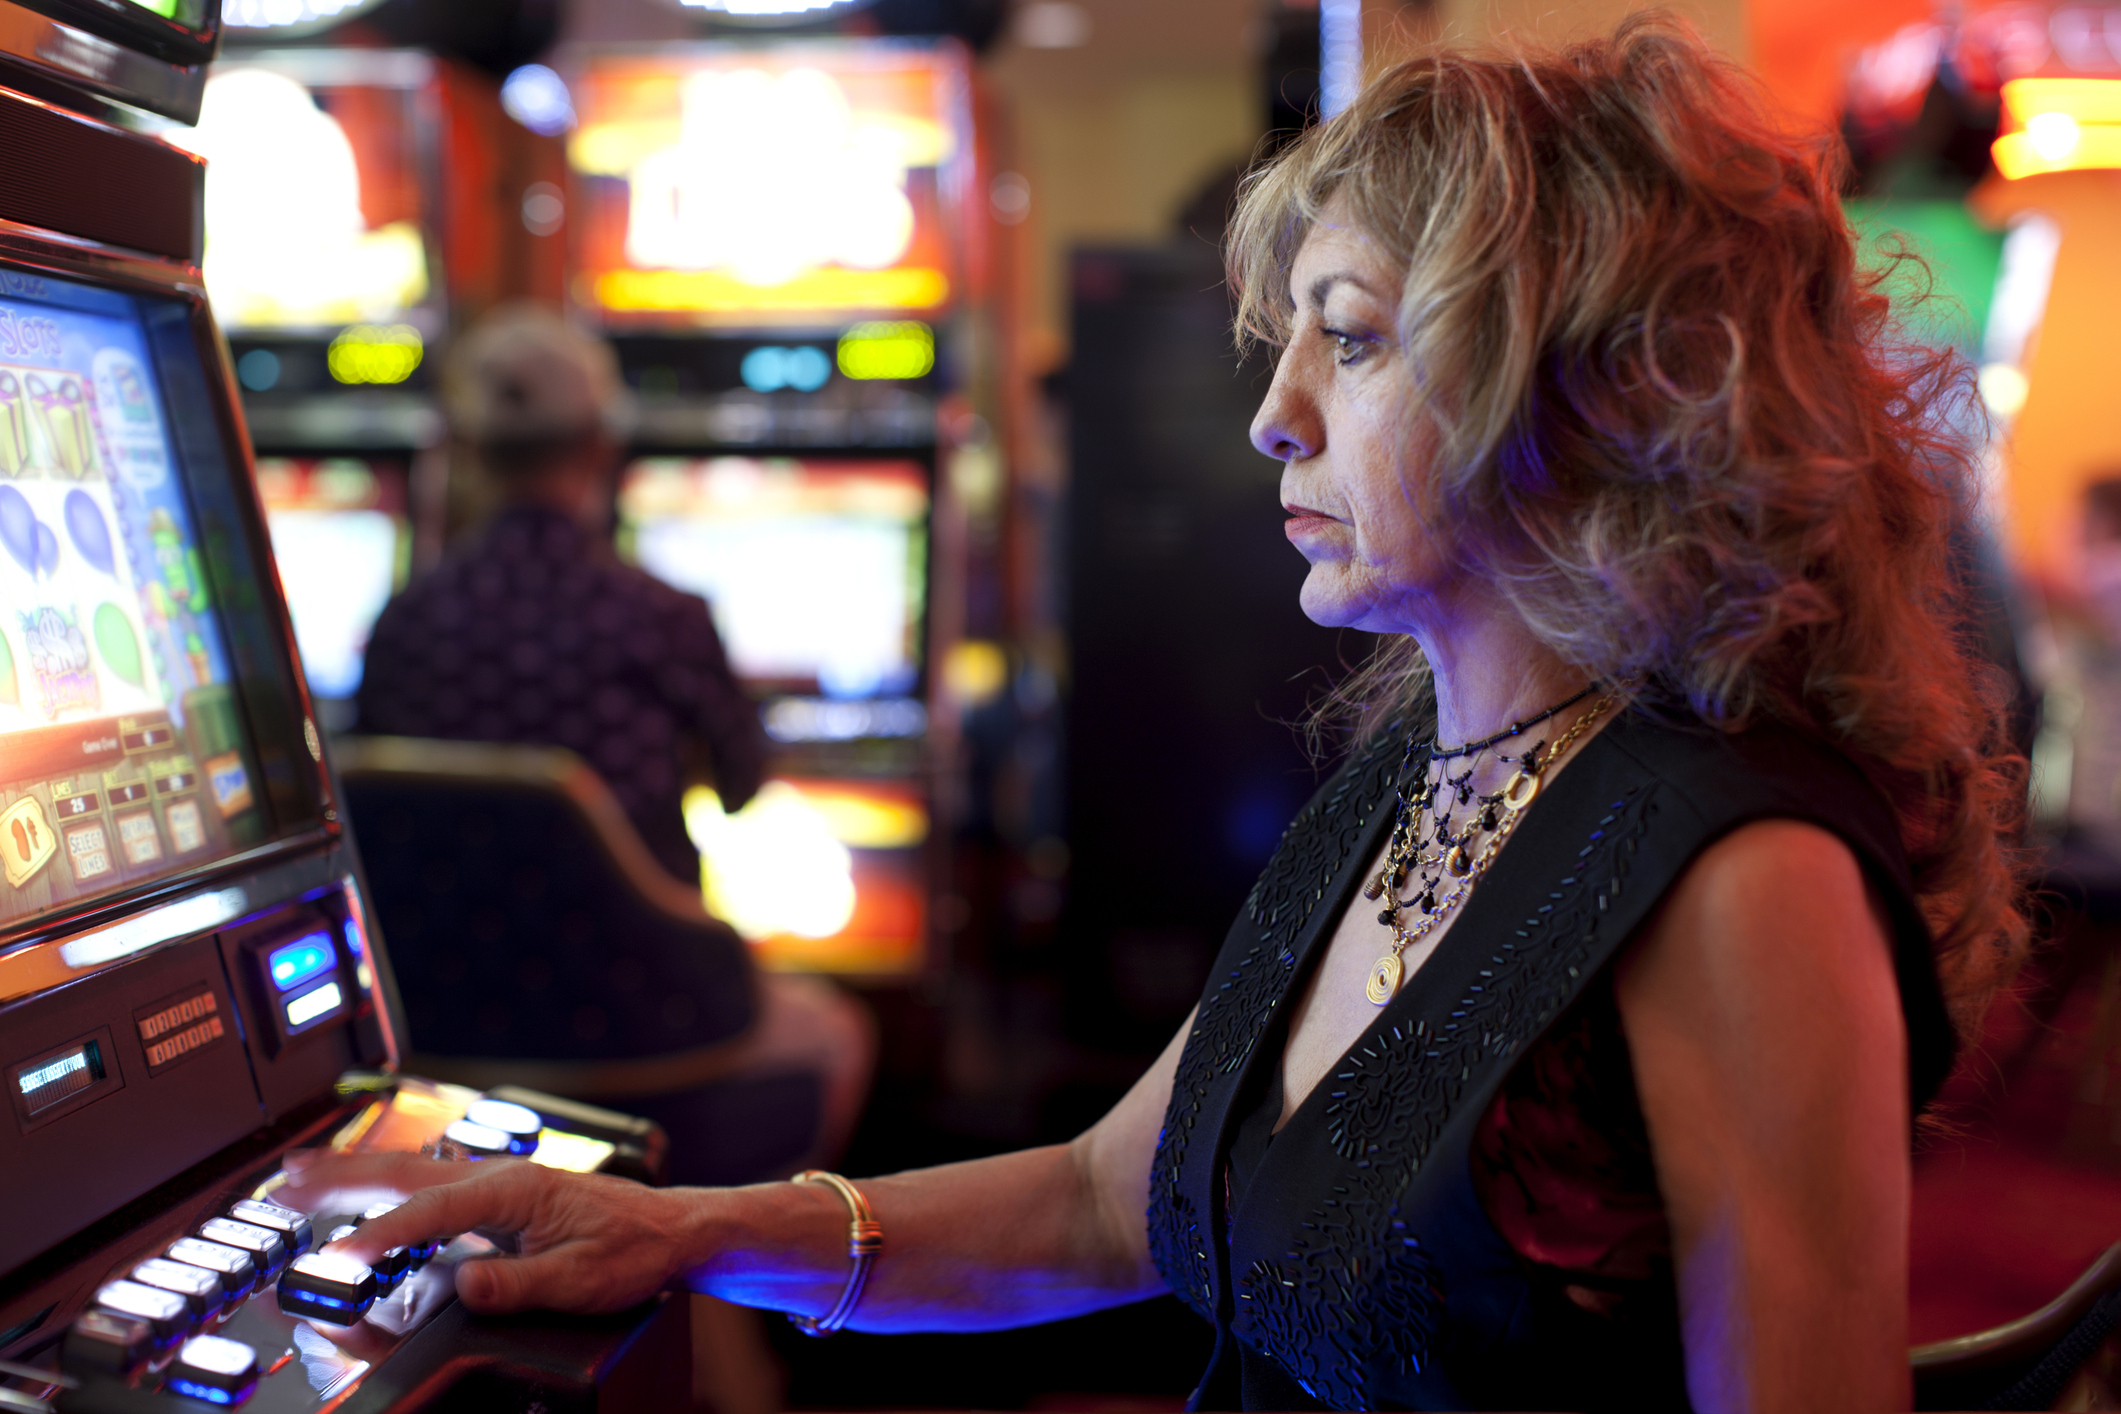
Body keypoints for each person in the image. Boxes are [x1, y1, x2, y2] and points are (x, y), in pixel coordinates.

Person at [284, 19, 2028, 1412]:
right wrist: (685, 1230)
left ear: (1579, 380)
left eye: (1349, 341)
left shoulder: (1740, 872)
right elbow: (1115, 1195)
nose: (1272, 414)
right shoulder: (1414, 767)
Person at [356, 303, 767, 884]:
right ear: (603, 447)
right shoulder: (665, 618)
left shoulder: (407, 621)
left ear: (469, 455)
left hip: (440, 966)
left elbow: (368, 800)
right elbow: (741, 788)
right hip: (640, 963)